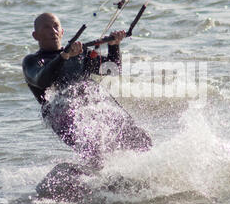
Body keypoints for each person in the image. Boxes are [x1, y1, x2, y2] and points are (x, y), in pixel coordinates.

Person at [22, 13, 152, 169]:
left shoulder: (80, 54)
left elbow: (113, 69)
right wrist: (64, 56)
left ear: (62, 31)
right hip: (62, 113)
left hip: (95, 103)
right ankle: (94, 180)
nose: (53, 31)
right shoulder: (32, 61)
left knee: (141, 139)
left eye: (56, 26)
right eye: (46, 28)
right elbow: (41, 79)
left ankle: (143, 173)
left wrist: (114, 45)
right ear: (35, 35)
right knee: (95, 151)